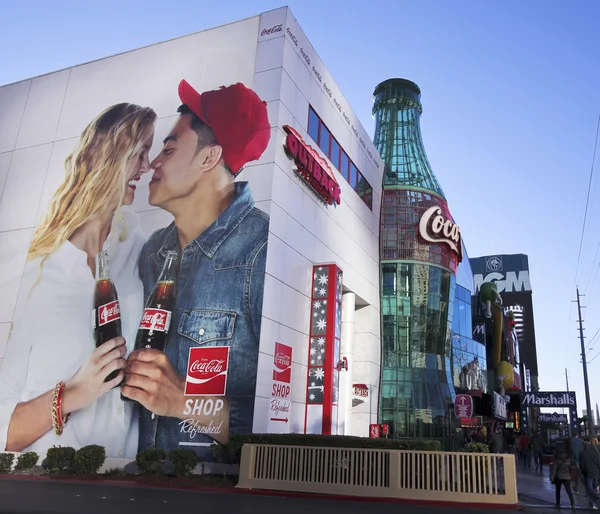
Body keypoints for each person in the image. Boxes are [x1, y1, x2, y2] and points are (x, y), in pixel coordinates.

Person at [121, 80, 271, 460]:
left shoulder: (267, 251)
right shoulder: (152, 251)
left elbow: (289, 424)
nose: (153, 162)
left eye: (169, 149)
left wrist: (187, 402)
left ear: (209, 158)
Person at [0, 103, 156, 457]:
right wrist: (74, 392)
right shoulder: (38, 272)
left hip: (125, 484)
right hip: (49, 488)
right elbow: (4, 431)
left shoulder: (137, 245)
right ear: (110, 154)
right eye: (140, 152)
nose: (146, 166)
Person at [551, 443, 576, 510]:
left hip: (558, 477)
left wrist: (552, 479)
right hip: (567, 477)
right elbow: (570, 468)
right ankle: (572, 504)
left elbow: (554, 470)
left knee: (558, 490)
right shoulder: (569, 459)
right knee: (569, 491)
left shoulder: (556, 460)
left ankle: (558, 503)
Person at [579, 442, 600, 509]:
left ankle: (596, 498)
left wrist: (582, 470)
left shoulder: (582, 453)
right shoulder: (595, 454)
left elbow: (582, 464)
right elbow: (598, 463)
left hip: (588, 473)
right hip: (596, 472)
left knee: (589, 488)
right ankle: (592, 503)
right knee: (594, 487)